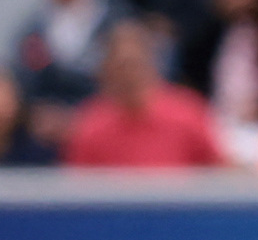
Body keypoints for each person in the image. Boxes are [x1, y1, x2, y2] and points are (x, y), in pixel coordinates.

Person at [60, 17, 230, 170]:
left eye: (135, 64)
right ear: (105, 71)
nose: (129, 75)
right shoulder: (90, 125)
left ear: (152, 63)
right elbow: (77, 190)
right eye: (121, 67)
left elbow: (218, 172)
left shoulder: (188, 113)